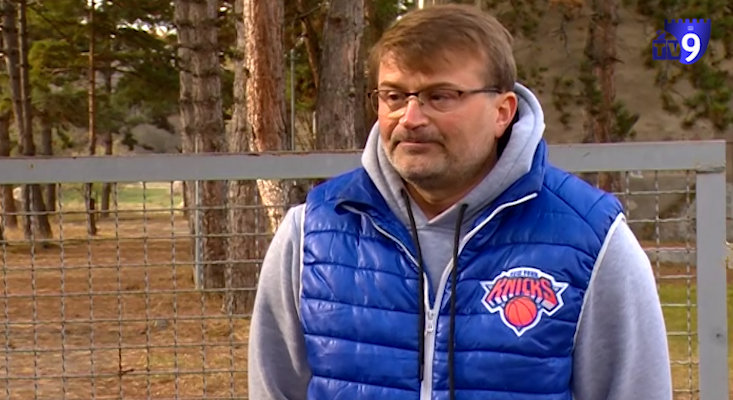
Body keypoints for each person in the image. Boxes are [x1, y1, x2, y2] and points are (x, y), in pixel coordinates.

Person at [248, 4, 672, 400]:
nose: (410, 118)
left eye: (440, 96)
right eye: (393, 96)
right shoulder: (312, 234)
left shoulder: (591, 240)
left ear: (502, 112)